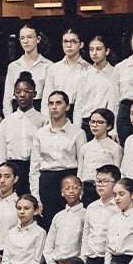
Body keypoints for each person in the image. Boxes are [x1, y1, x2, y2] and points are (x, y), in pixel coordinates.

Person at [30, 90, 83, 224]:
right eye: (51, 103)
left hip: (69, 178)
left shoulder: (78, 133)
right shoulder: (40, 133)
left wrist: (79, 191)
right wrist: (36, 196)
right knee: (48, 222)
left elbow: (82, 165)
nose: (54, 107)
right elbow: (34, 168)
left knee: (71, 222)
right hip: (47, 181)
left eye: (59, 103)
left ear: (67, 106)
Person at [1, 73, 43, 195]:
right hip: (14, 167)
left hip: (35, 167)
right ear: (14, 95)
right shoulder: (7, 122)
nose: (22, 95)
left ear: (34, 94)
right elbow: (1, 153)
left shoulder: (43, 120)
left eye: (27, 91)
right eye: (18, 92)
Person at [1, 193, 46, 264]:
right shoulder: (11, 232)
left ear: (35, 211)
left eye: (26, 208)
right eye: (19, 208)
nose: (22, 212)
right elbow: (6, 258)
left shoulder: (40, 232)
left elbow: (37, 260)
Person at [79, 108, 121, 195]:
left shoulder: (115, 148)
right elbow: (80, 172)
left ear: (109, 126)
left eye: (100, 122)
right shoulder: (85, 147)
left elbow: (117, 173)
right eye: (92, 122)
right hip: (86, 189)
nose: (95, 125)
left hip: (105, 189)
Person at [4, 24, 50, 99]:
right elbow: (8, 96)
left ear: (38, 39)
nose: (25, 41)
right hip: (17, 105)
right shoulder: (13, 66)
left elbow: (49, 95)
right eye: (22, 38)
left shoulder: (48, 66)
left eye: (29, 37)